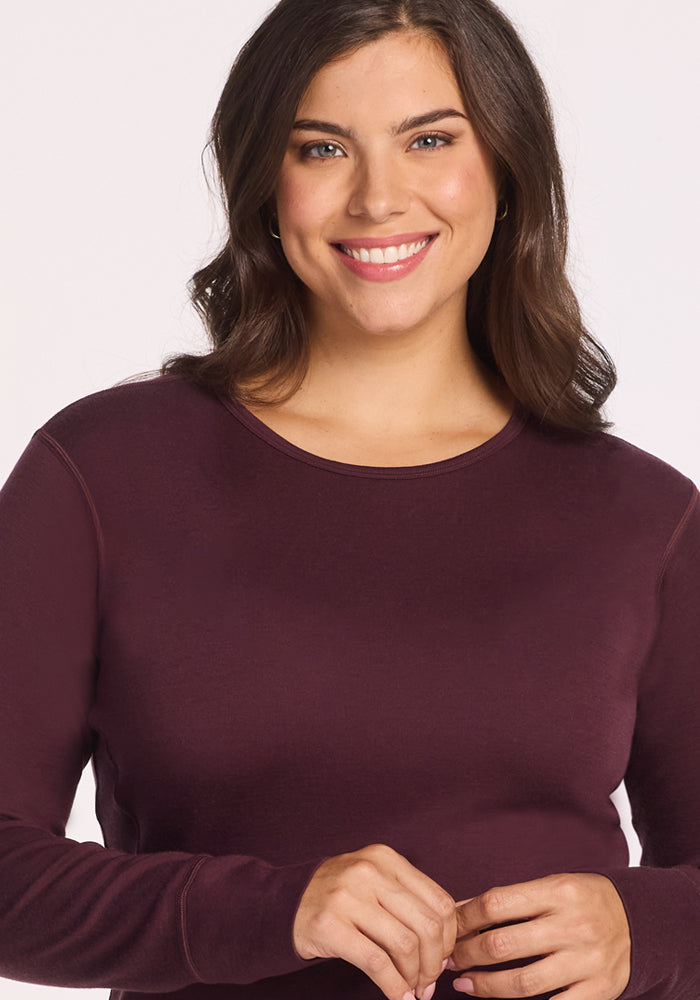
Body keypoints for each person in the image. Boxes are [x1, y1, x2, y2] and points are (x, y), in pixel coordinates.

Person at [0, 1, 698, 999]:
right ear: (264, 185)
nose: (378, 196)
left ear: (505, 165)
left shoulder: (644, 518)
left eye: (429, 139)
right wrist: (269, 912)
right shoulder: (101, 476)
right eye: (323, 147)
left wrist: (646, 931)